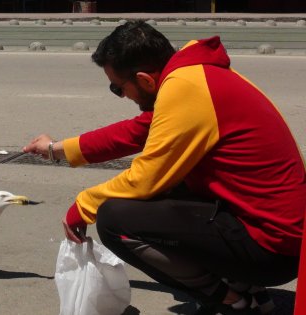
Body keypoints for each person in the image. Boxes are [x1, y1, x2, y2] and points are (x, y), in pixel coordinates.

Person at [23, 21, 305, 315]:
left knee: (113, 219)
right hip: (275, 231)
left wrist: (84, 205)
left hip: (271, 246)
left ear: (145, 80)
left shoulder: (185, 88)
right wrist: (57, 150)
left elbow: (146, 178)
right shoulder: (196, 75)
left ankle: (233, 301)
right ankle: (245, 288)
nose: (122, 95)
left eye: (118, 88)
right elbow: (133, 133)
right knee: (167, 192)